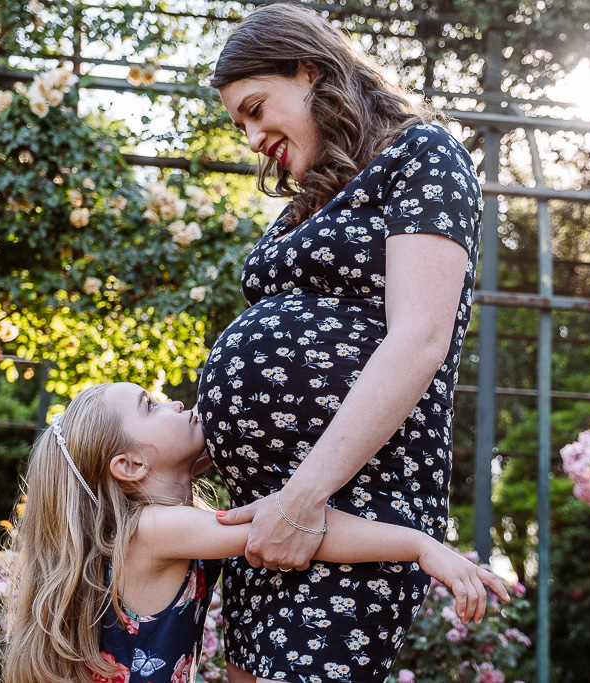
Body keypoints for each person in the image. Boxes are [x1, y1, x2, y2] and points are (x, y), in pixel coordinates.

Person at [199, 4, 484, 681]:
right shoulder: (309, 202)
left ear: (309, 69)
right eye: (239, 122)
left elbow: (419, 339)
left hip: (350, 509)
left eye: (256, 107)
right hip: (272, 524)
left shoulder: (422, 155)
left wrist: (302, 499)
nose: (251, 136)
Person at [1, 383, 506, 683]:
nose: (173, 402)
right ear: (129, 464)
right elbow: (295, 527)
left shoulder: (154, 524)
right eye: (150, 406)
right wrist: (421, 546)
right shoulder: (152, 530)